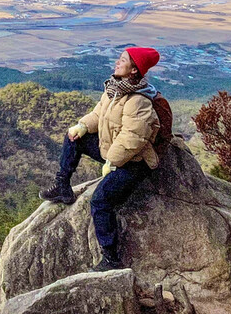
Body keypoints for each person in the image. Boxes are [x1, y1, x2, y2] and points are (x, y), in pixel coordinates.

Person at [38, 46, 161, 271]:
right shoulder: (114, 89)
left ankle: (111, 258)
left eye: (122, 60)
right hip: (113, 151)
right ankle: (63, 186)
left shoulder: (139, 101)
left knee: (100, 201)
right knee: (73, 137)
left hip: (133, 162)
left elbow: (132, 139)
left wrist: (112, 162)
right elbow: (98, 115)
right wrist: (82, 126)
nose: (117, 62)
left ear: (134, 70)